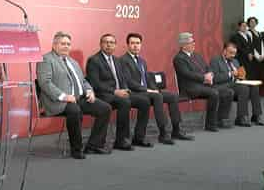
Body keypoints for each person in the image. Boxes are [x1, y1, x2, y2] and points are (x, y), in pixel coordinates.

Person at [36, 31, 112, 159]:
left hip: (78, 98)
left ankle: (94, 145)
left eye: (68, 44)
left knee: (105, 108)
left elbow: (83, 81)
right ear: (54, 45)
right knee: (75, 111)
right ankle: (76, 149)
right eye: (63, 44)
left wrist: (89, 90)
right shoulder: (46, 59)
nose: (66, 46)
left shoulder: (73, 61)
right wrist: (64, 96)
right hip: (58, 101)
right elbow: (45, 83)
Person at [120, 33, 194, 144]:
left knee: (172, 96)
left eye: (138, 43)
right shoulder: (123, 60)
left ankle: (176, 129)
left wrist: (154, 89)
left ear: (141, 45)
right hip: (134, 92)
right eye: (133, 43)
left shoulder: (142, 61)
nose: (135, 46)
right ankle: (163, 133)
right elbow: (129, 82)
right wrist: (147, 90)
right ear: (128, 45)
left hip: (147, 92)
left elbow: (148, 79)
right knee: (157, 96)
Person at [87, 34, 152, 149]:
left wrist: (125, 88)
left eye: (112, 43)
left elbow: (122, 79)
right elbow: (95, 83)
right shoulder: (94, 60)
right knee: (124, 102)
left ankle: (139, 137)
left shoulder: (117, 60)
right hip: (104, 94)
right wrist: (115, 91)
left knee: (144, 101)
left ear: (115, 45)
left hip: (119, 93)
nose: (109, 45)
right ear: (100, 44)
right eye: (106, 42)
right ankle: (121, 140)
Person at [173, 32, 221, 132]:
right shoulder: (179, 58)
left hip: (201, 86)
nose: (194, 44)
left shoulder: (197, 56)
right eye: (191, 42)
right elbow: (187, 74)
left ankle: (218, 120)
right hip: (189, 88)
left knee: (221, 91)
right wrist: (204, 78)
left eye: (193, 41)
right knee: (214, 93)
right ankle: (211, 124)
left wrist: (210, 74)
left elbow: (207, 67)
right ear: (183, 45)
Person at [210, 42, 264, 126]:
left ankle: (256, 115)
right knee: (244, 88)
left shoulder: (235, 61)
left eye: (234, 53)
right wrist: (230, 74)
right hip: (223, 86)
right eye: (231, 53)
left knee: (254, 87)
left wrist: (242, 77)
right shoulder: (215, 60)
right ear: (224, 51)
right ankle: (241, 117)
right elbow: (215, 78)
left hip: (236, 86)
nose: (233, 55)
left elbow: (239, 76)